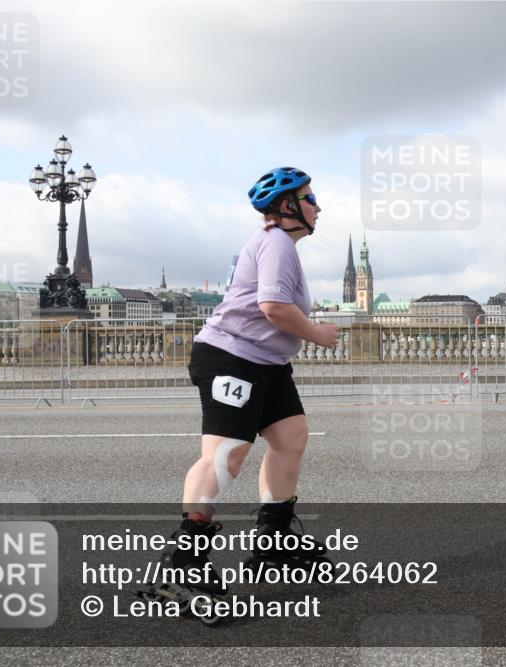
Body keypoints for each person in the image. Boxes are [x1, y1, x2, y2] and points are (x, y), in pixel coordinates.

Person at [163, 167, 339, 592]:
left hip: (266, 362)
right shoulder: (275, 241)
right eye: (311, 198)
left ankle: (274, 541)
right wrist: (318, 334)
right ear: (287, 206)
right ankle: (184, 562)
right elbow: (273, 306)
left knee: (290, 438)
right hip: (233, 357)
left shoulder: (280, 245)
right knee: (226, 455)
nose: (318, 207)